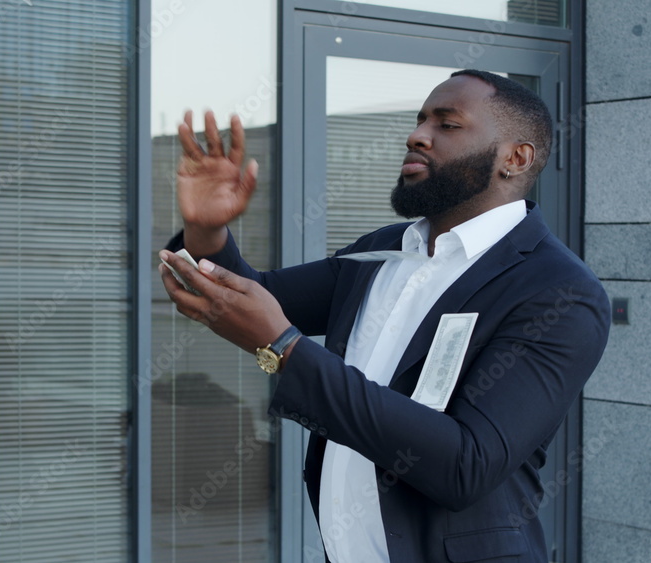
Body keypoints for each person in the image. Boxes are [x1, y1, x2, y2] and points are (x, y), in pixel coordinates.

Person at [158, 69, 611, 563]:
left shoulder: (560, 292)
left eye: (447, 124)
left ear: (515, 158)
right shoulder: (384, 250)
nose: (417, 135)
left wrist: (286, 349)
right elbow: (256, 298)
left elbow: (466, 465)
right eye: (420, 120)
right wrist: (206, 231)